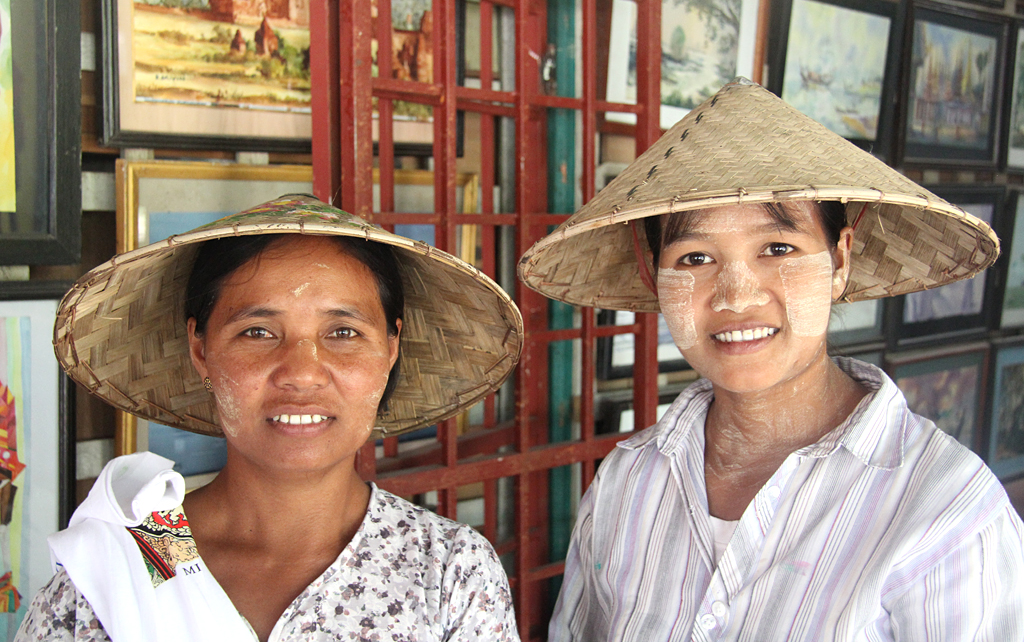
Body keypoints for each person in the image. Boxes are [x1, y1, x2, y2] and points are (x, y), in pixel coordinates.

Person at [519, 79, 1024, 640]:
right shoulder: (627, 482)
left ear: (840, 259)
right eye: (696, 257)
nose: (736, 296)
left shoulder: (946, 513)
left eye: (778, 249)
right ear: (652, 274)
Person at [17, 195, 524, 642]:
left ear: (391, 349)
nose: (302, 374)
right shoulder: (127, 562)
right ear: (201, 349)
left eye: (343, 333)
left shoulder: (447, 570)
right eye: (258, 332)